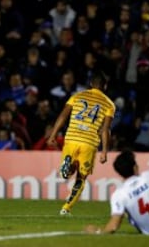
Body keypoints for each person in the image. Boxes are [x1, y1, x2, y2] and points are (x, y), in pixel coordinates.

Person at [47, 71, 116, 215]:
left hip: (71, 138)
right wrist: (104, 151)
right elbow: (105, 129)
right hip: (89, 142)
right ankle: (66, 208)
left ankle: (69, 165)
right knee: (81, 178)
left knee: (65, 174)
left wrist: (53, 135)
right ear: (105, 86)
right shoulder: (109, 104)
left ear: (91, 84)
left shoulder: (77, 96)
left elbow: (62, 116)